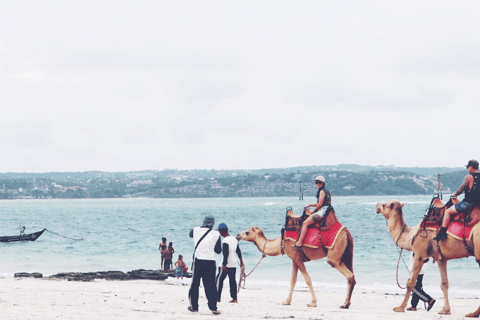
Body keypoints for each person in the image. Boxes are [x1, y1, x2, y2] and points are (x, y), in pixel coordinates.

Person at [435, 160, 480, 240]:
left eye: (468, 167)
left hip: (469, 203)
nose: (467, 169)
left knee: (447, 211)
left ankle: (442, 233)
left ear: (471, 167)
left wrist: (454, 195)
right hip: (478, 204)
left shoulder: (469, 177)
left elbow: (461, 189)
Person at [188, 215, 222, 315]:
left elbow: (190, 234)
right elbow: (218, 251)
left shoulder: (196, 230)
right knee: (211, 285)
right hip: (211, 262)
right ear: (213, 224)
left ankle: (194, 306)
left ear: (204, 222)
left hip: (198, 261)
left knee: (195, 284)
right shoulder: (216, 234)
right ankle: (213, 308)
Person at [294, 175, 331, 247]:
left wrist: (312, 211)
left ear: (323, 183)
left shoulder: (322, 191)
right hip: (326, 210)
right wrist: (310, 205)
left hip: (322, 211)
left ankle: (300, 242)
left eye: (319, 182)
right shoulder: (326, 191)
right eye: (316, 182)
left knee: (305, 223)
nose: (318, 184)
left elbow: (320, 204)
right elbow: (322, 203)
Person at [216, 222, 244, 303]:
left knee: (219, 280)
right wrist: (241, 262)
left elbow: (225, 253)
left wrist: (224, 265)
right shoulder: (234, 239)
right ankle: (234, 298)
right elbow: (238, 251)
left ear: (221, 232)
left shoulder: (225, 240)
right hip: (233, 263)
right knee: (232, 281)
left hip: (226, 264)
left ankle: (218, 298)